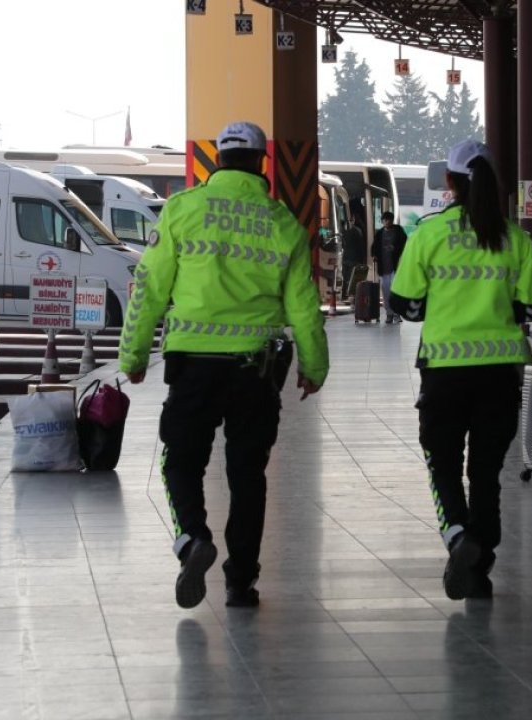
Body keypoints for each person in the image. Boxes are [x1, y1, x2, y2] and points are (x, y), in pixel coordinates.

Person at [117, 120, 330, 609]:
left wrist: (132, 357)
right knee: (247, 476)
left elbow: (150, 288)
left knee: (180, 462)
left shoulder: (181, 211)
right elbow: (303, 306)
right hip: (255, 373)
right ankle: (240, 582)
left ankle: (193, 537)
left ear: (217, 161)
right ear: (262, 164)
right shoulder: (282, 223)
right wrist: (314, 367)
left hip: (193, 367)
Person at [389, 139, 532, 600]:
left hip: (445, 371)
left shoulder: (429, 236)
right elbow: (531, 305)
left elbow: (406, 304)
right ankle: (481, 567)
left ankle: (458, 536)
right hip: (499, 373)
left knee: (443, 465)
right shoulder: (515, 238)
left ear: (450, 183)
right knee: (486, 472)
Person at [370, 211, 407, 323]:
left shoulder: (399, 231)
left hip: (396, 267)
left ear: (392, 220)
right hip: (383, 269)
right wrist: (374, 256)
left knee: (396, 292)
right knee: (386, 292)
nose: (386, 222)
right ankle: (389, 314)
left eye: (388, 220)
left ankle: (397, 314)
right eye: (384, 220)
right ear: (382, 221)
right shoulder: (380, 234)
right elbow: (374, 248)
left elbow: (405, 244)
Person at [341, 214, 367, 298]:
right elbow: (361, 246)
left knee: (346, 277)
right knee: (349, 278)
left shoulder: (342, 231)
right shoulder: (357, 231)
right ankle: (349, 295)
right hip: (351, 258)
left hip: (347, 258)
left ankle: (346, 294)